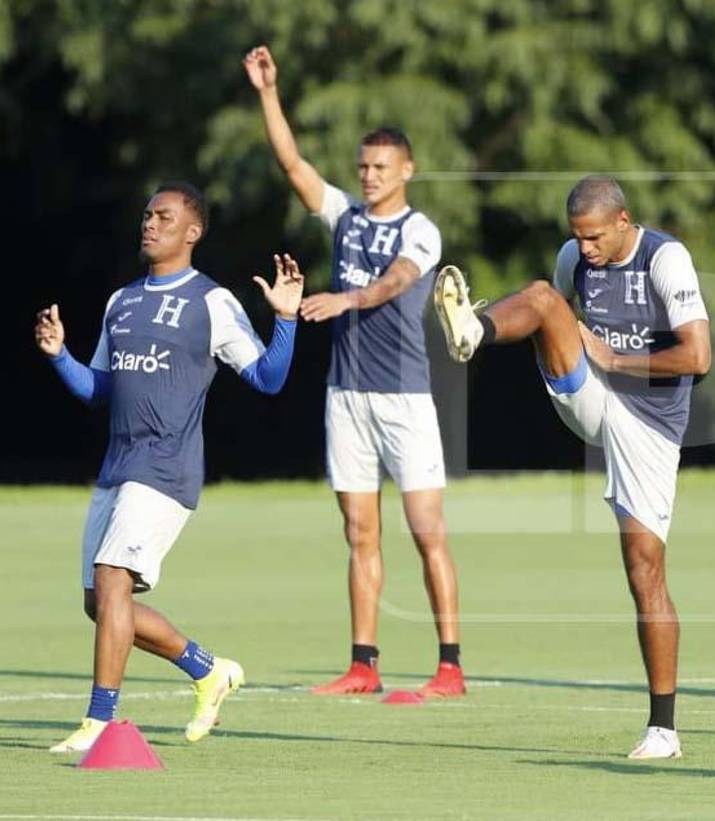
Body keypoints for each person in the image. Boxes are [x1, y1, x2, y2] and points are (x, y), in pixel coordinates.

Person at [433, 175, 710, 758]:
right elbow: (555, 317)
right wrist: (583, 353)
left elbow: (698, 356)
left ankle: (663, 729)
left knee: (644, 568)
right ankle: (472, 330)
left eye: (593, 238)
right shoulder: (572, 257)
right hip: (591, 395)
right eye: (576, 238)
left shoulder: (666, 259)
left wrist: (614, 356)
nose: (583, 249)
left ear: (622, 222)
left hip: (650, 426)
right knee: (541, 296)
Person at [36, 182, 303, 752]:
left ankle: (99, 722)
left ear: (193, 231)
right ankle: (209, 671)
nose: (150, 224)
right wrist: (61, 356)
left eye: (164, 216)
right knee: (102, 603)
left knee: (112, 582)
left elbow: (267, 378)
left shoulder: (212, 302)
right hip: (117, 467)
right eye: (147, 215)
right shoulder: (121, 301)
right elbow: (98, 389)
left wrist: (286, 320)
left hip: (166, 468)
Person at [244, 45, 464, 697]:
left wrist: (346, 298)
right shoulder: (344, 216)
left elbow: (397, 282)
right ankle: (363, 664)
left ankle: (450, 665)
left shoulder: (420, 230)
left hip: (404, 399)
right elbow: (292, 164)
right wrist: (267, 92)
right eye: (363, 166)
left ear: (407, 170)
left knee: (428, 530)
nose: (368, 176)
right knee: (359, 531)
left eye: (380, 167)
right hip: (346, 398)